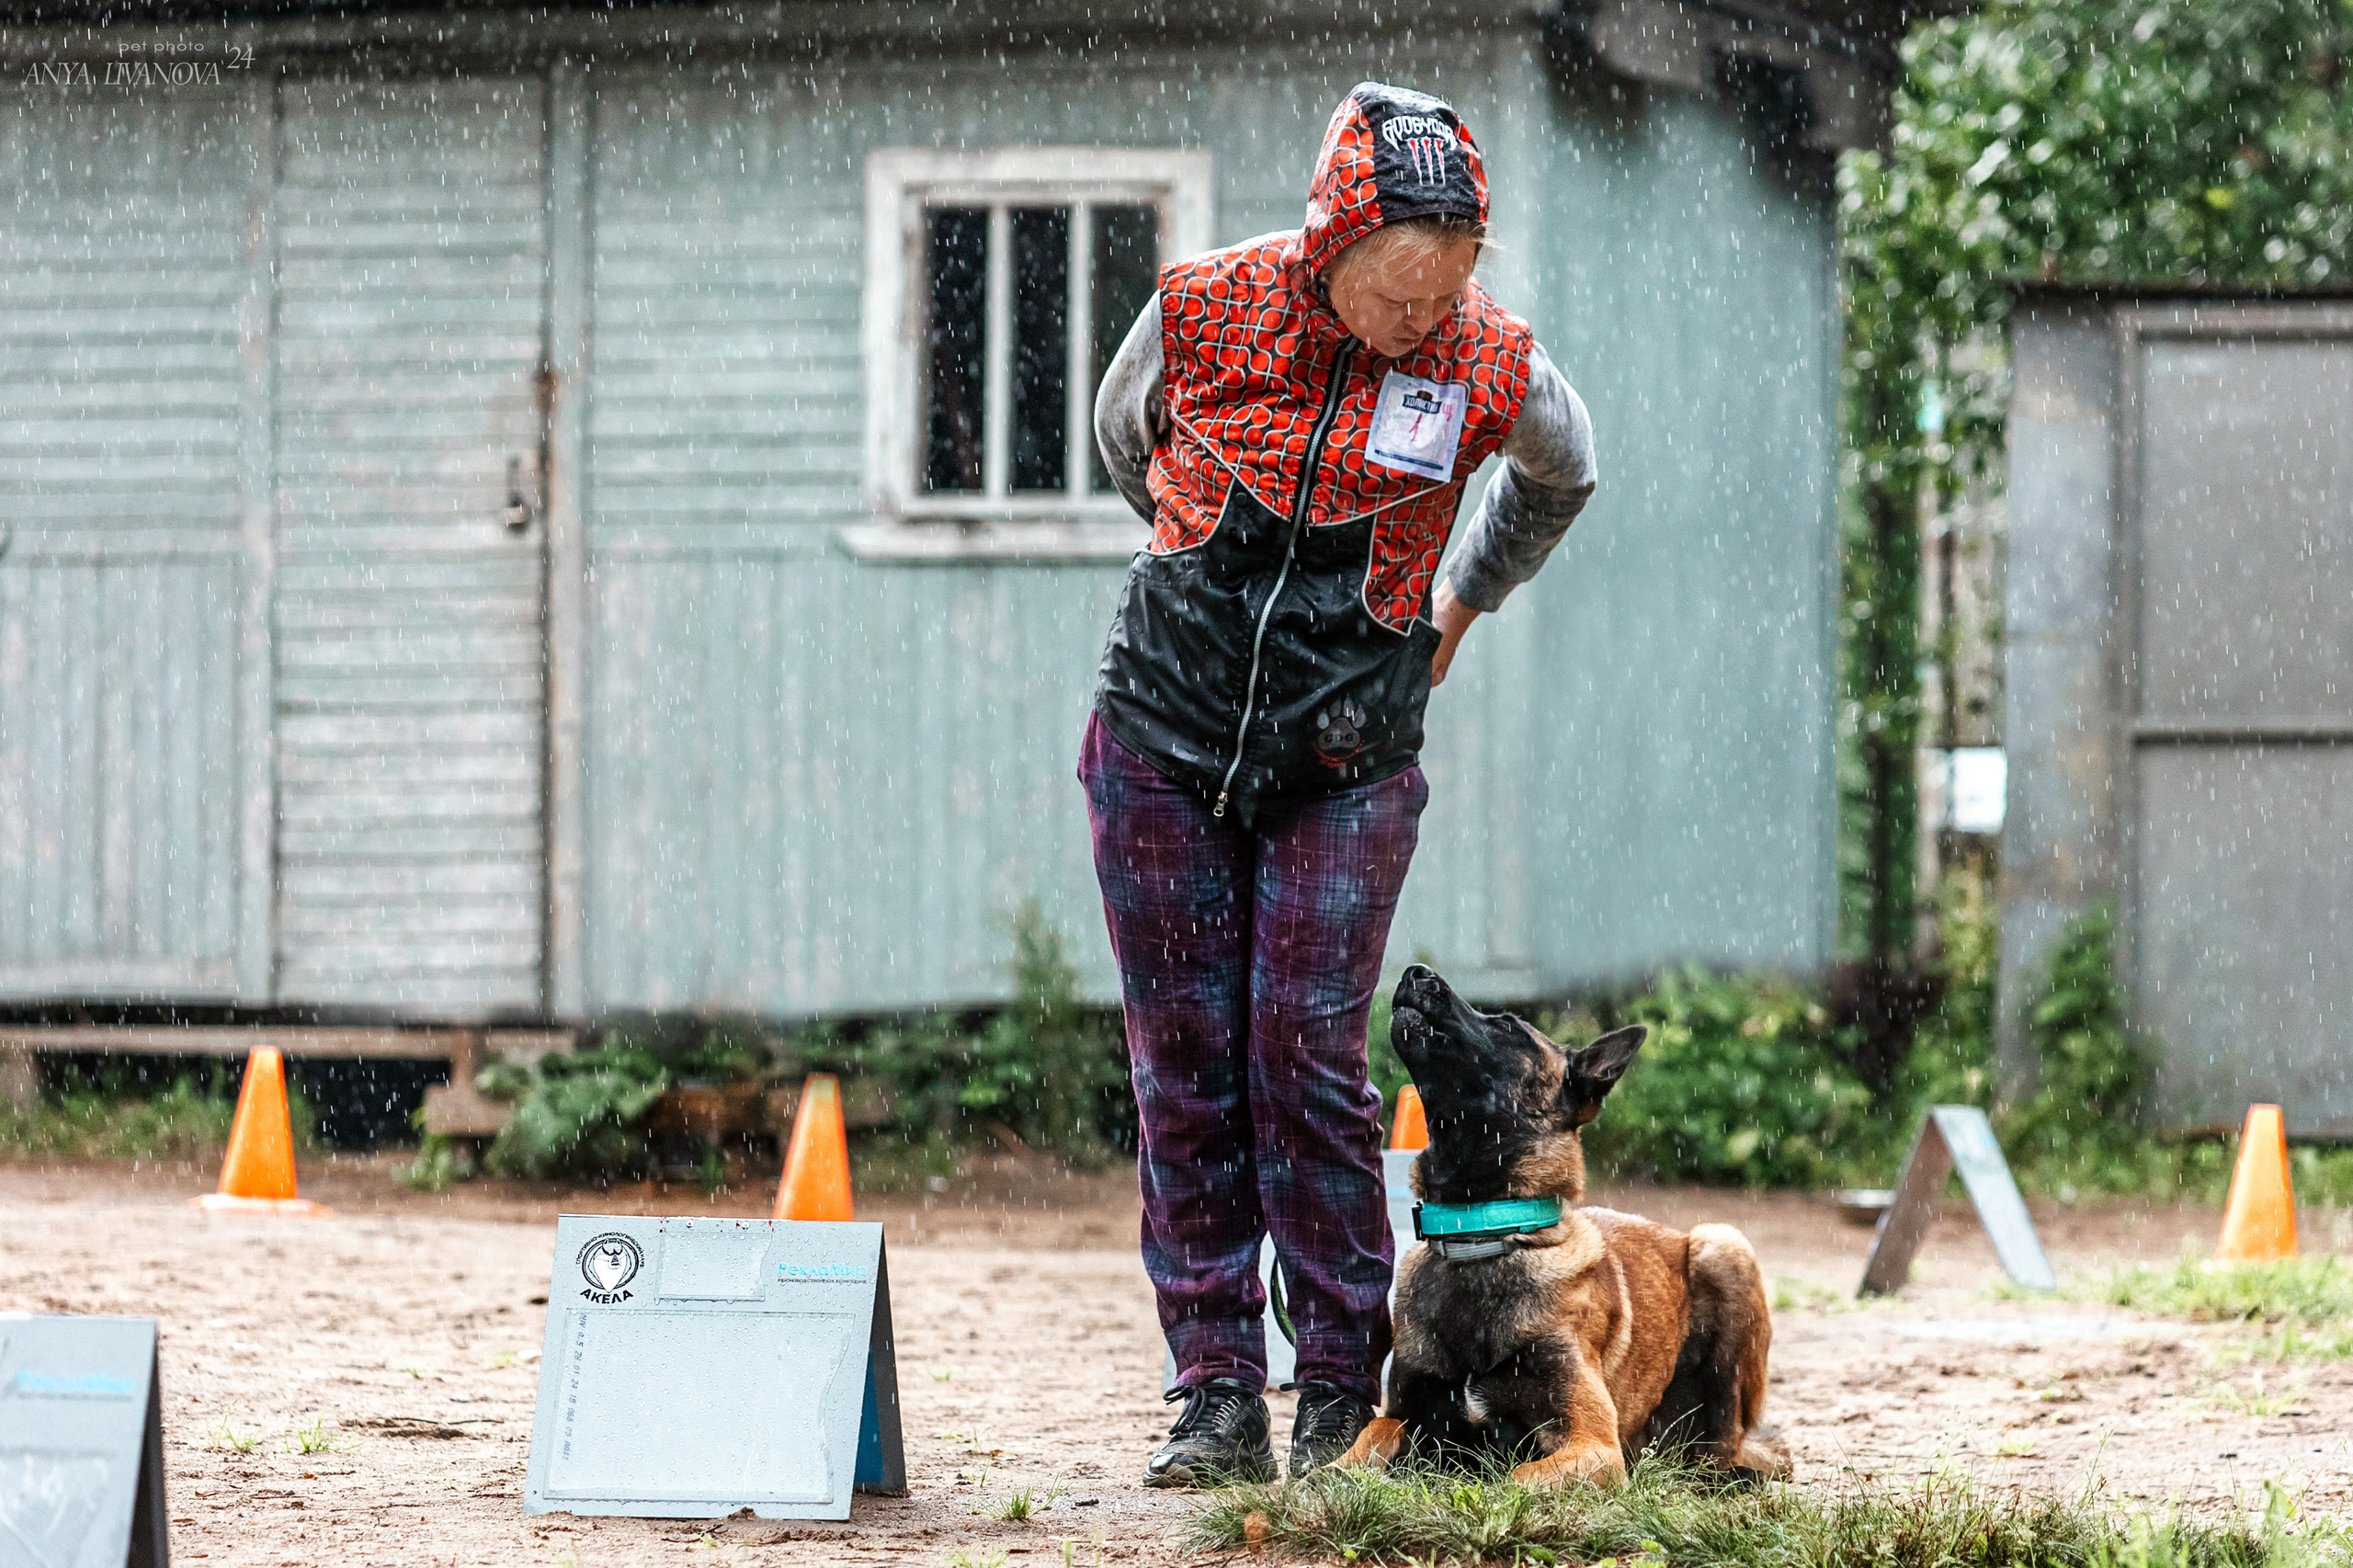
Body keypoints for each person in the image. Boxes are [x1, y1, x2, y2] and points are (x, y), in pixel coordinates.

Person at [1082, 81, 1598, 1487]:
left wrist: (1460, 603)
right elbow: (1126, 438)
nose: (1427, 314)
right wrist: (1197, 562)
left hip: (1351, 755)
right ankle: (1211, 1390)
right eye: (1401, 284)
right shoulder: (1206, 307)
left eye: (1453, 279)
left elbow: (1567, 470)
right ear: (1331, 242)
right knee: (1183, 1060)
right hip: (1161, 739)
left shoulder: (1491, 364)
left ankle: (1337, 1385)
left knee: (1300, 1050)